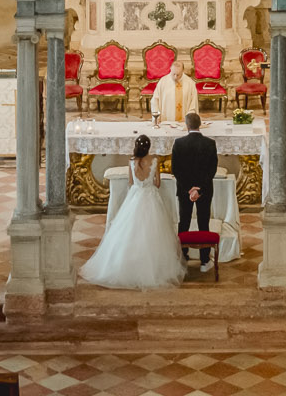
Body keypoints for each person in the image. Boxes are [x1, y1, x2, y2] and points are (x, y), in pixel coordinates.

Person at [80, 134, 185, 289]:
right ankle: (152, 268)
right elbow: (157, 183)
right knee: (153, 233)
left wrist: (139, 186)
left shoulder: (131, 162)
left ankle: (126, 264)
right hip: (151, 197)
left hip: (135, 196)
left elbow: (130, 182)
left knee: (127, 231)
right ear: (149, 147)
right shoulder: (155, 161)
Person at [170, 112, 218, 271]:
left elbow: (176, 170)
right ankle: (205, 261)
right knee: (204, 223)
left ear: (187, 125)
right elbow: (212, 170)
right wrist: (200, 189)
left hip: (185, 191)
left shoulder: (179, 143)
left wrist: (188, 189)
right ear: (200, 124)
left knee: (183, 222)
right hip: (204, 191)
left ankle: (182, 258)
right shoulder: (210, 143)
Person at [149, 53, 201, 124]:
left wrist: (190, 118)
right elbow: (155, 100)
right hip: (166, 121)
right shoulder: (163, 81)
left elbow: (193, 104)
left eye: (178, 74)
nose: (175, 77)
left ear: (183, 71)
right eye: (173, 74)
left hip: (184, 122)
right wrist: (156, 117)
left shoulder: (190, 83)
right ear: (170, 69)